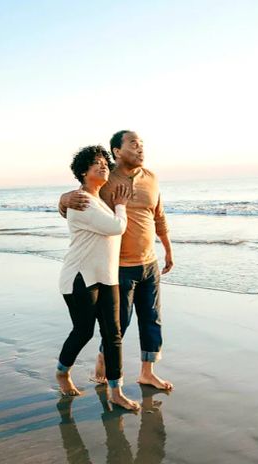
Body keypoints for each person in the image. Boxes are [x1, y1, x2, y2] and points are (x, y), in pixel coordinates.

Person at [59, 130, 174, 391]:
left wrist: (167, 249)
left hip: (149, 262)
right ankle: (104, 360)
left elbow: (159, 216)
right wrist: (63, 199)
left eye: (142, 144)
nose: (140, 149)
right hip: (119, 266)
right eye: (134, 144)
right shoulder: (107, 178)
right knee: (118, 323)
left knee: (152, 318)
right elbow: (79, 200)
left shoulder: (151, 178)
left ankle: (147, 372)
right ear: (117, 152)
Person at [56, 144, 140, 411]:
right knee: (83, 331)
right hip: (79, 277)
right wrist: (121, 205)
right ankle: (62, 373)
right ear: (83, 172)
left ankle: (116, 391)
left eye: (105, 161)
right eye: (97, 163)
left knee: (113, 334)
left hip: (107, 277)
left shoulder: (99, 201)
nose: (104, 165)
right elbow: (116, 228)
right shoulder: (81, 201)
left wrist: (114, 204)